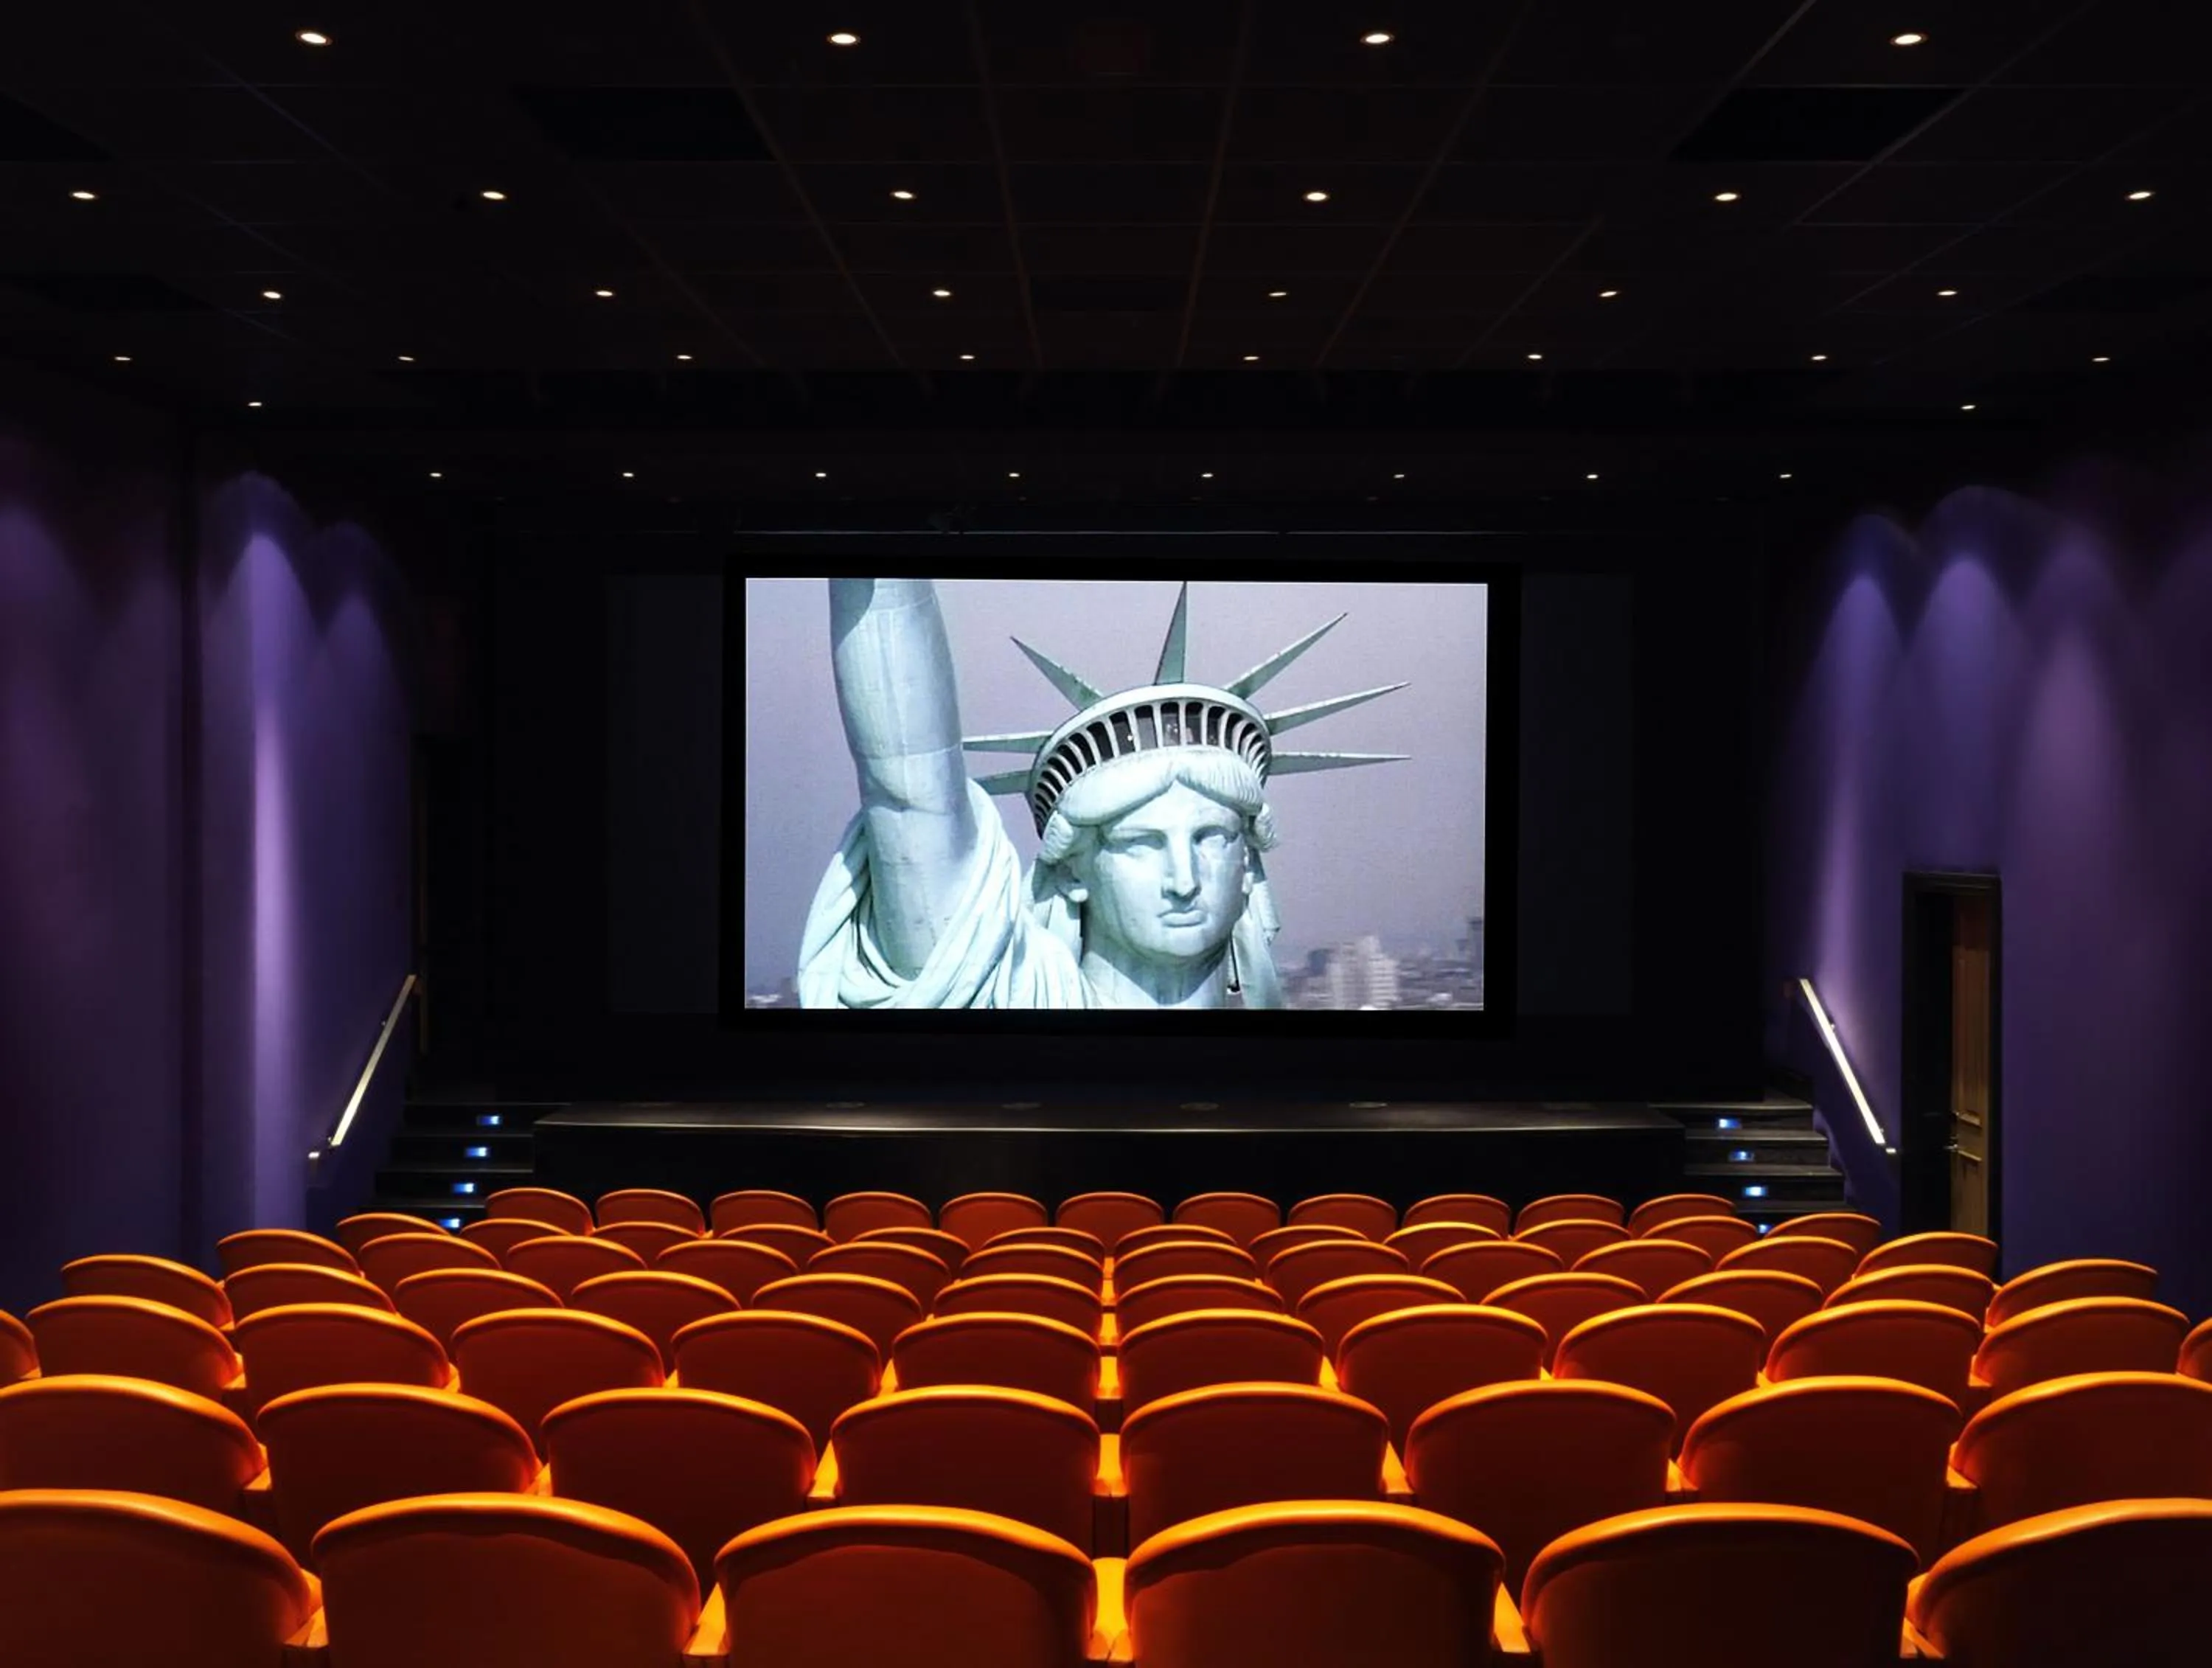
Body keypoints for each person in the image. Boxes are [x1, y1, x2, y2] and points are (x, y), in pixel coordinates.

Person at [797, 578, 1402, 1010]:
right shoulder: (1004, 995)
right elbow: (908, 783)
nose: (1184, 880)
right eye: (1141, 844)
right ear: (1076, 870)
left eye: (1212, 838)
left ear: (1248, 866)